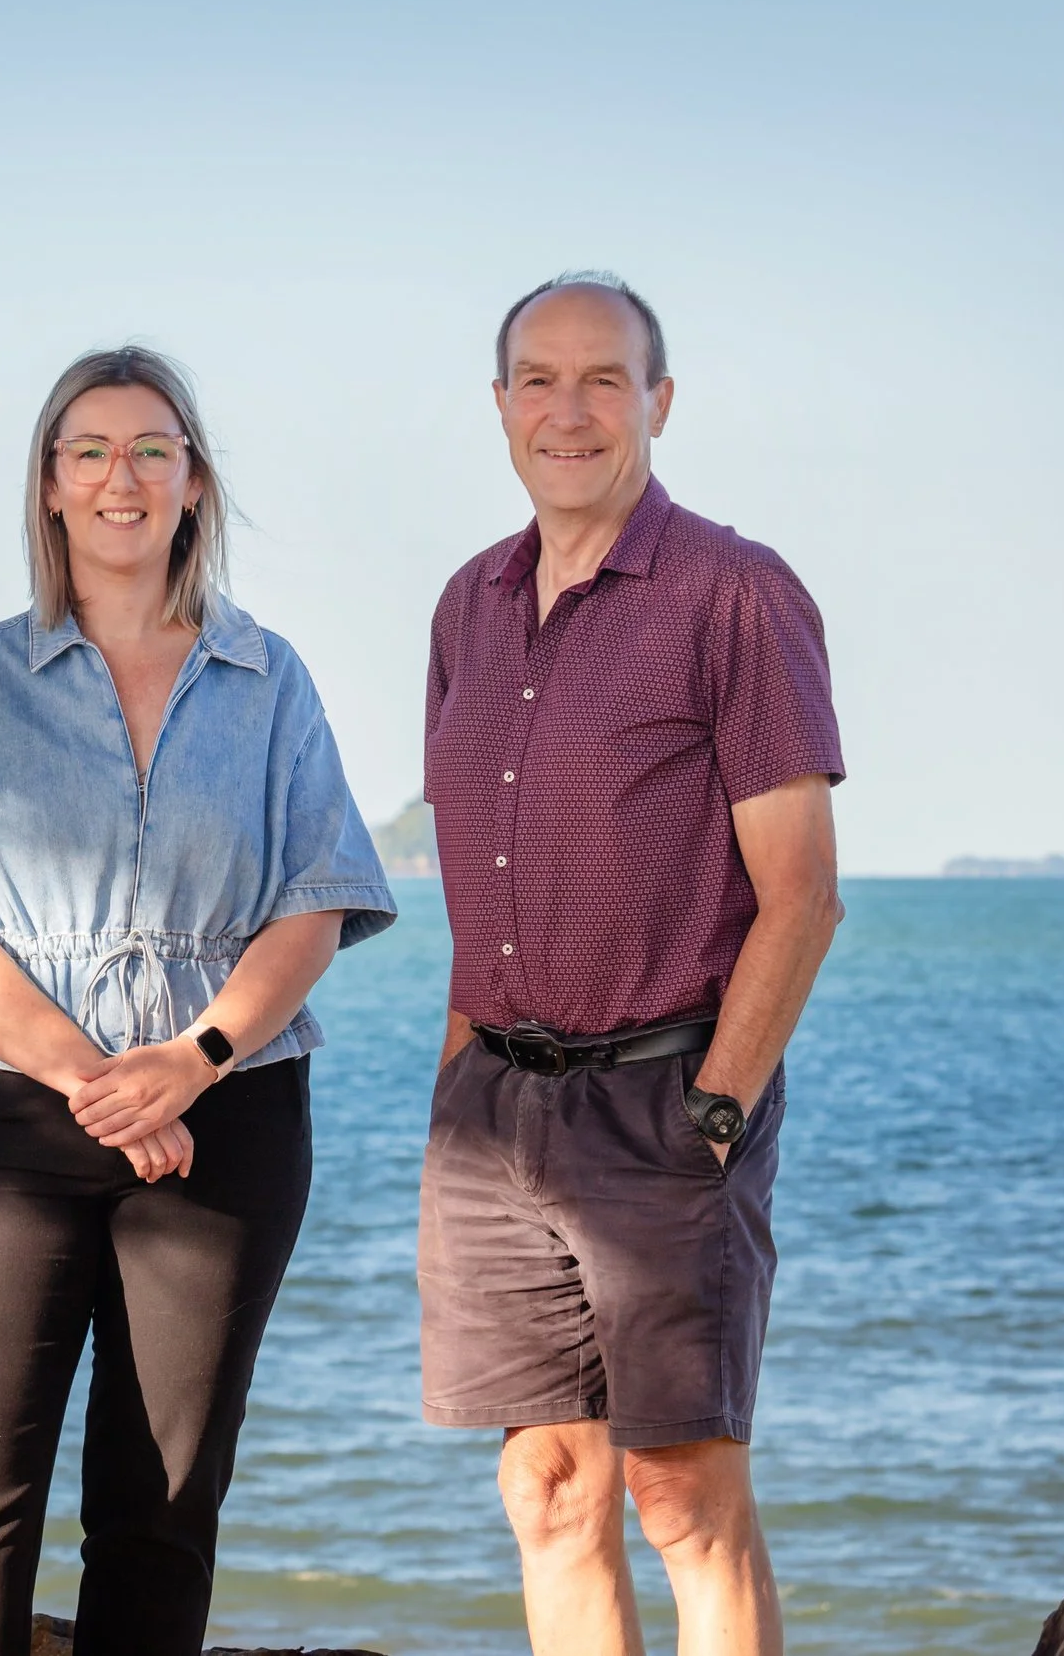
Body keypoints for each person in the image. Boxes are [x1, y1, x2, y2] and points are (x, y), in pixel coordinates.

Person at [0, 346, 396, 1656]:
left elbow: (312, 904)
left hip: (227, 1120)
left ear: (195, 482)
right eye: (88, 451)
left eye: (154, 449)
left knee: (160, 1513)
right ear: (47, 486)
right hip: (4, 1114)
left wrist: (191, 1058)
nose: (121, 477)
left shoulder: (273, 682)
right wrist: (97, 1076)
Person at [419, 273, 844, 1656]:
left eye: (606, 379)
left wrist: (715, 1111)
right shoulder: (466, 608)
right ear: (498, 410)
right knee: (547, 1488)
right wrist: (452, 1100)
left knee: (684, 1493)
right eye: (539, 379)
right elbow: (478, 890)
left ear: (659, 403)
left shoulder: (735, 592)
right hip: (496, 1117)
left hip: (667, 1100)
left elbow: (803, 895)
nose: (571, 409)